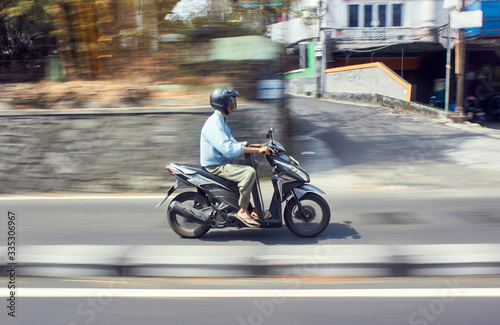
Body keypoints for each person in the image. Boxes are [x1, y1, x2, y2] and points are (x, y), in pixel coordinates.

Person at [200, 87, 272, 227]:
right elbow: (228, 149)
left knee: (251, 168)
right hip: (216, 166)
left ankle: (255, 210)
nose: (233, 104)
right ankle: (243, 211)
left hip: (221, 163)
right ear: (222, 103)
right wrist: (257, 151)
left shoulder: (221, 121)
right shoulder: (214, 123)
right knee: (248, 172)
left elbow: (232, 143)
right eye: (230, 101)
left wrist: (256, 146)